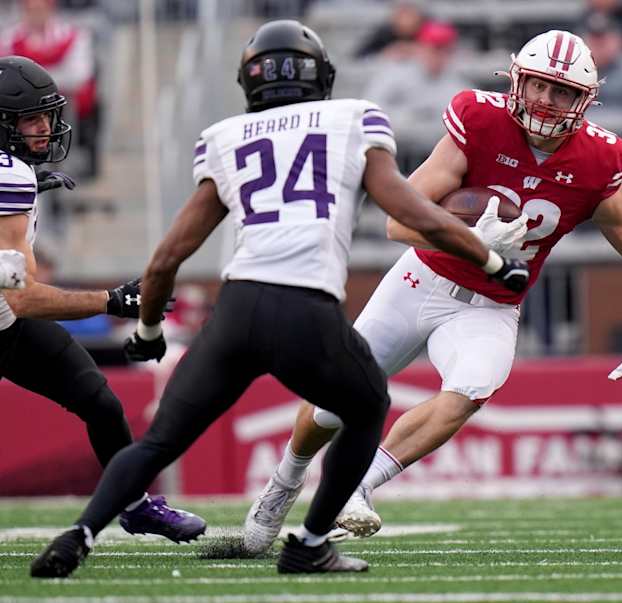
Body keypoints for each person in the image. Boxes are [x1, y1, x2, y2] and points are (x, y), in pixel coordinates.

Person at [30, 19, 530, 578]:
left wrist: (147, 331)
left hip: (237, 310)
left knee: (158, 443)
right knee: (367, 406)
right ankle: (311, 542)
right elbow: (412, 213)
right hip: (304, 309)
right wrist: (493, 260)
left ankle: (79, 534)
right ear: (322, 76)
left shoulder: (225, 137)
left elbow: (168, 256)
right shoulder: (353, 120)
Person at [241, 28, 622, 552]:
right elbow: (398, 222)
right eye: (537, 85)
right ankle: (284, 482)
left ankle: (358, 484)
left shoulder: (598, 160)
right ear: (517, 80)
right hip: (422, 279)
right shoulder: (481, 120)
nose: (544, 100)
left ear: (585, 100)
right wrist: (471, 241)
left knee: (470, 389)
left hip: (490, 306)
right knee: (334, 400)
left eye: (562, 92)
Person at [0, 55, 205, 557]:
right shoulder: (10, 177)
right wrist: (113, 300)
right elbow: (24, 295)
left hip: (5, 322)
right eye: (30, 119)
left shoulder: (15, 174)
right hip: (10, 312)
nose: (44, 128)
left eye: (47, 116)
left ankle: (134, 504)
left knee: (100, 402)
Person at [1, 0, 101, 177]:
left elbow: (78, 76)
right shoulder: (9, 37)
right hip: (19, 113)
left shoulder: (71, 35)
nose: (36, 14)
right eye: (31, 10)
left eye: (41, 9)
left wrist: (30, 82)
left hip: (64, 107)